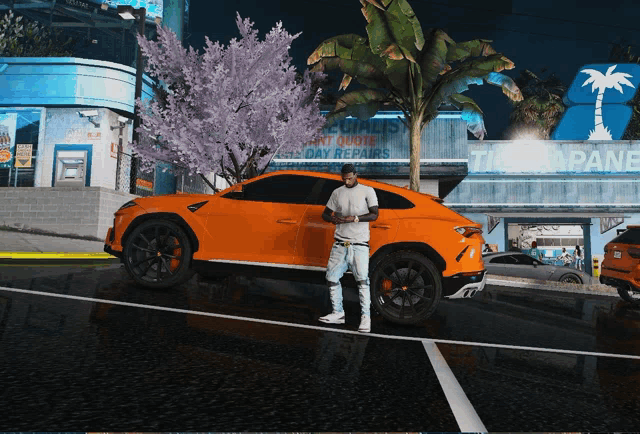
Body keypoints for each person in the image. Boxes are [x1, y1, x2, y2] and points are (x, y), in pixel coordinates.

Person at [319, 163, 379, 333]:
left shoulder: (368, 191)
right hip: (340, 243)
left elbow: (375, 214)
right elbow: (325, 213)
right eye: (344, 179)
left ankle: (365, 318)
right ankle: (338, 313)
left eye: (350, 178)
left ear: (355, 174)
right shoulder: (337, 192)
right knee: (331, 278)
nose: (347, 181)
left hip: (359, 244)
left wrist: (355, 219)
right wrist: (332, 220)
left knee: (362, 281)